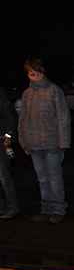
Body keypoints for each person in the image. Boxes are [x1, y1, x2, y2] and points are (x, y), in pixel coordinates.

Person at [18, 57, 72, 224]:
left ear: (42, 72)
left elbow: (63, 118)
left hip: (52, 143)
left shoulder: (54, 91)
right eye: (30, 74)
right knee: (42, 178)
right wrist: (23, 141)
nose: (33, 76)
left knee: (54, 177)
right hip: (34, 144)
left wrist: (63, 143)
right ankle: (46, 208)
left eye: (36, 73)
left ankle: (58, 209)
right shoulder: (27, 94)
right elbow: (23, 119)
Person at [0, 86, 20, 219]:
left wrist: (8, 136)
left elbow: (9, 117)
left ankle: (12, 207)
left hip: (2, 141)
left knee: (4, 176)